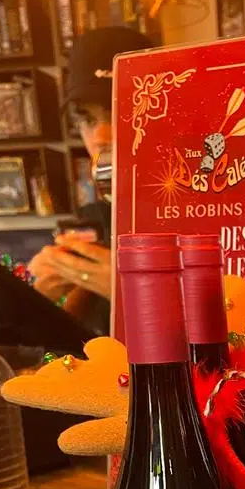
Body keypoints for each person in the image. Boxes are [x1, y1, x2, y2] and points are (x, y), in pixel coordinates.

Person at [28, 27, 152, 334]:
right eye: (87, 119)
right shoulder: (93, 220)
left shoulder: (205, 212)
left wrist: (130, 291)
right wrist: (40, 301)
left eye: (120, 112)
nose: (100, 137)